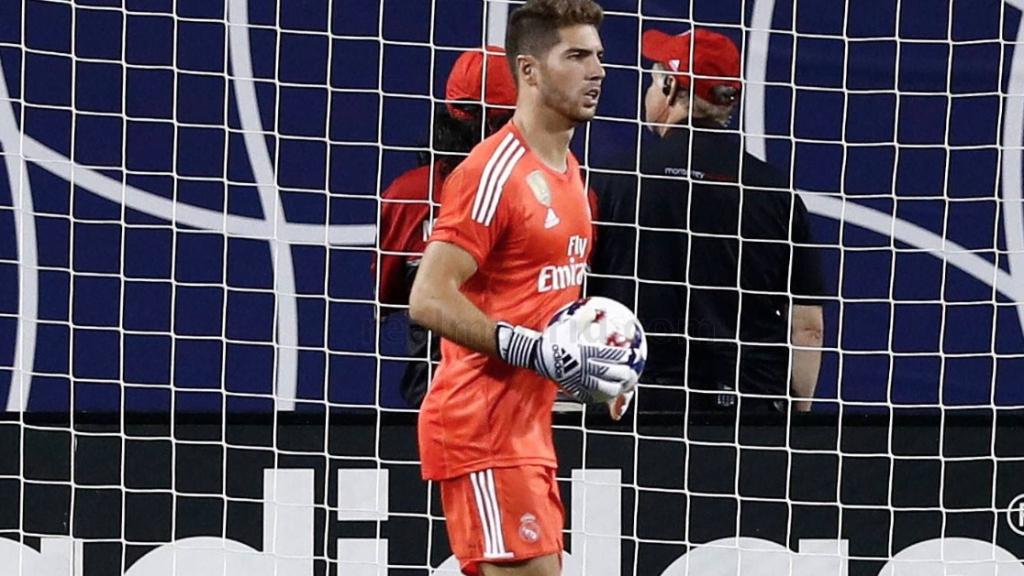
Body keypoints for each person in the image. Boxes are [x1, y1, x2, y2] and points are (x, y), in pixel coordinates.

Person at [408, 1, 638, 573]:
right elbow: (429, 297)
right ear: (529, 71)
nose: (598, 71)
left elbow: (542, 302)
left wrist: (595, 366)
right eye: (576, 56)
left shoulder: (570, 171)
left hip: (526, 430)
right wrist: (531, 349)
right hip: (481, 427)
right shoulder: (493, 172)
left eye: (600, 56)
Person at [588, 28, 825, 416]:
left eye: (653, 79)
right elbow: (808, 325)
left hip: (635, 406)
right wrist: (798, 417)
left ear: (669, 87)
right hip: (748, 411)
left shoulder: (611, 180)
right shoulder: (774, 190)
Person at [374, 47, 517, 407]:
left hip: (435, 396)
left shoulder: (409, 194)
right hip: (521, 398)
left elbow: (389, 295)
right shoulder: (558, 191)